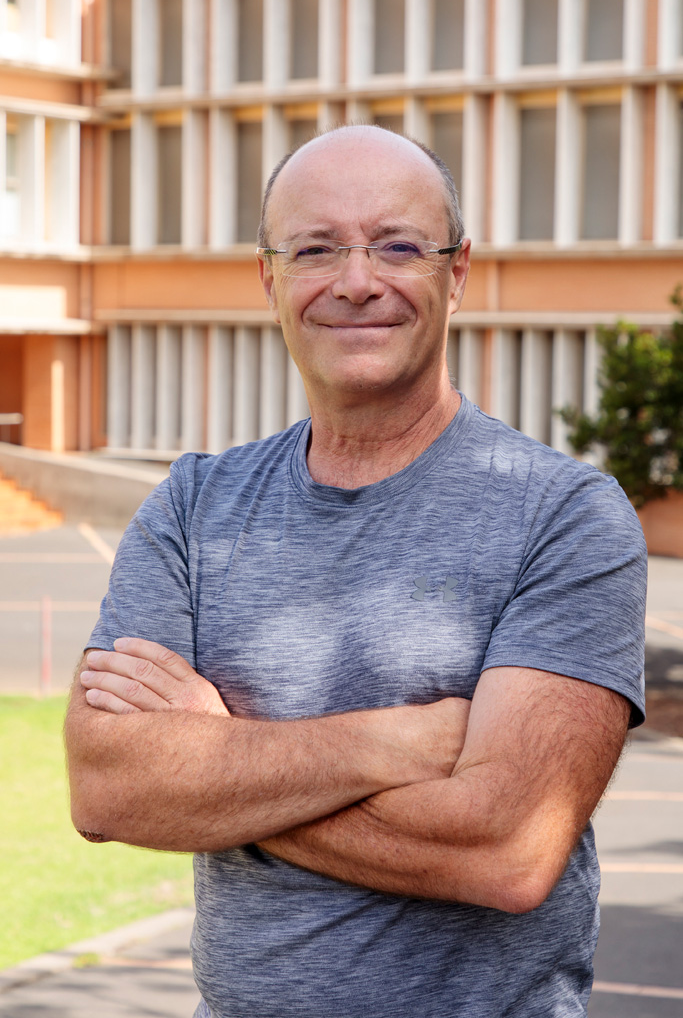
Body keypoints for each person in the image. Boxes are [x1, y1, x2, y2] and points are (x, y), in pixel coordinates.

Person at [65, 125, 646, 1018]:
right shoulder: (193, 505)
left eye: (398, 247)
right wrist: (399, 743)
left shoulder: (563, 515)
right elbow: (110, 789)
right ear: (269, 278)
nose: (357, 281)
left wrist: (216, 758)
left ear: (457, 272)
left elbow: (506, 852)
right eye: (315, 249)